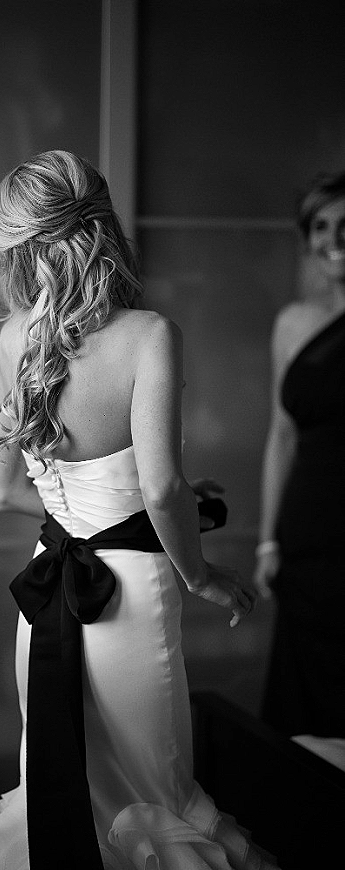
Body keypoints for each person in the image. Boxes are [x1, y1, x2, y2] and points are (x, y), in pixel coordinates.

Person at [0, 150, 277, 870]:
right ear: (104, 227)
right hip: (129, 601)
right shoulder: (149, 335)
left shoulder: (15, 338)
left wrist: (134, 504)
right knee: (154, 795)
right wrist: (203, 577)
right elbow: (159, 491)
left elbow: (6, 491)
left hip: (46, 598)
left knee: (60, 791)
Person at [254, 172, 345, 738]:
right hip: (307, 532)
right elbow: (281, 434)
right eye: (321, 226)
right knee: (303, 699)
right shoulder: (292, 324)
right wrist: (268, 540)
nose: (334, 238)